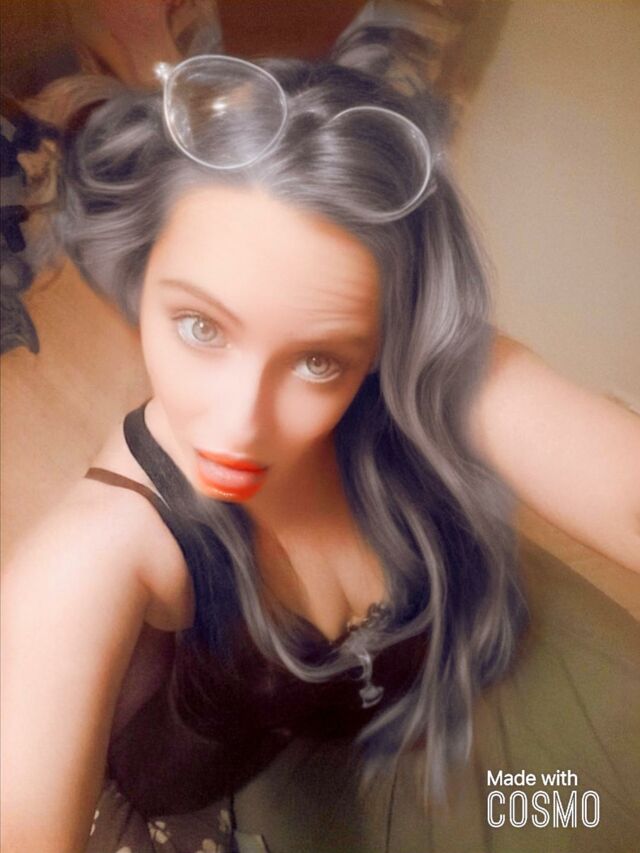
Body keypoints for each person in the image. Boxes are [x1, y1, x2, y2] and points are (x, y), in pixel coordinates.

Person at [2, 18, 639, 853]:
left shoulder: (424, 373)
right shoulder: (100, 549)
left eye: (318, 360)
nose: (240, 422)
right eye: (200, 326)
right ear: (140, 281)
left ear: (383, 339)